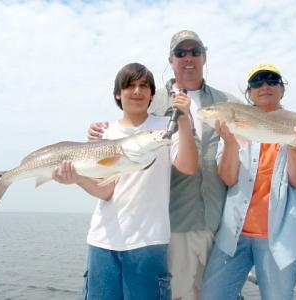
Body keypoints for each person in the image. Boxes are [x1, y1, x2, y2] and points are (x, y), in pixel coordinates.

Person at [88, 30, 240, 299]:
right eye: (180, 53)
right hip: (170, 222)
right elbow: (123, 137)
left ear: (205, 57)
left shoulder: (228, 103)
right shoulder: (151, 100)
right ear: (170, 60)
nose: (188, 58)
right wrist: (97, 132)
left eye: (195, 52)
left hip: (218, 220)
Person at [53, 62, 198, 300]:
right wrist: (77, 178)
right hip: (103, 241)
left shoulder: (163, 129)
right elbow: (105, 190)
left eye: (144, 86)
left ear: (152, 94)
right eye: (130, 86)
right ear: (118, 94)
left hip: (149, 242)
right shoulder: (103, 133)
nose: (138, 91)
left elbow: (188, 166)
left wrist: (184, 120)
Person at [199, 63, 296, 300]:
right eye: (257, 82)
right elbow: (228, 178)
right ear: (249, 91)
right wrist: (231, 142)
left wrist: (295, 146)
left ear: (281, 89)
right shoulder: (236, 127)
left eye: (271, 81)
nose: (264, 86)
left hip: (280, 239)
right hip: (233, 236)